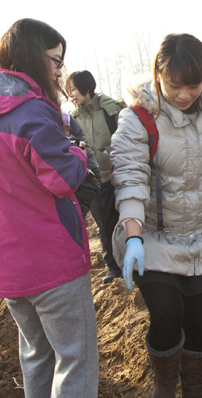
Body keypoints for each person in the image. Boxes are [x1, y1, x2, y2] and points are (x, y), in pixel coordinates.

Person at [110, 33, 202, 398]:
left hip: (201, 236)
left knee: (197, 322)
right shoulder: (138, 118)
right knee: (166, 314)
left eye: (192, 86)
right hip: (155, 240)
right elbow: (129, 178)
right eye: (174, 85)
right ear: (158, 75)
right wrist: (133, 237)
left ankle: (194, 392)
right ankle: (164, 383)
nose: (183, 94)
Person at [0, 18, 98, 398]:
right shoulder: (32, 112)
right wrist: (79, 153)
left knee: (37, 357)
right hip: (51, 264)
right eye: (55, 61)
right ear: (35, 58)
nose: (59, 72)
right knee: (76, 362)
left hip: (8, 266)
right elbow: (60, 176)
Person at [66, 70, 124, 284]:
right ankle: (113, 266)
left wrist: (109, 151)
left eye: (73, 89)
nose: (71, 94)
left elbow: (126, 136)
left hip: (116, 176)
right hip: (90, 180)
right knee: (103, 225)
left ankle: (133, 262)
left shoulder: (110, 109)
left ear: (87, 88)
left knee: (122, 219)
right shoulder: (73, 118)